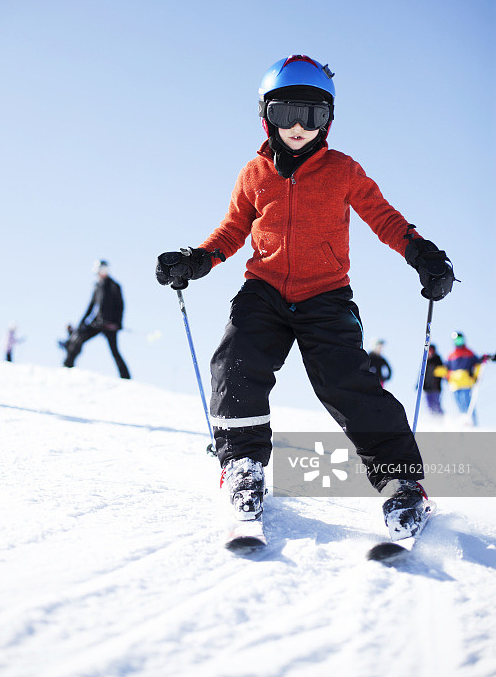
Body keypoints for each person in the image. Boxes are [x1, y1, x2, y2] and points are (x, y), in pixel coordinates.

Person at [156, 54, 455, 540]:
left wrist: (422, 254)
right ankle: (243, 467)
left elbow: (384, 218)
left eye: (312, 114)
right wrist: (196, 260)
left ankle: (403, 481)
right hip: (265, 289)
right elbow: (233, 229)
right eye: (284, 113)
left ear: (328, 119)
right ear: (265, 116)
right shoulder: (254, 174)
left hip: (326, 296)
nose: (297, 126)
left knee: (347, 384)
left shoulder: (343, 170)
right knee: (237, 361)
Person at [63, 260, 131, 379]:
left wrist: (118, 324)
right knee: (78, 339)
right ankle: (67, 365)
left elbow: (121, 306)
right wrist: (80, 325)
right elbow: (90, 306)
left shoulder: (114, 286)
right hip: (97, 322)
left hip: (110, 325)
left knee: (114, 351)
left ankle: (125, 377)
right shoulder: (97, 286)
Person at [441, 332, 482, 425]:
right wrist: (446, 377)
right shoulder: (451, 355)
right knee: (460, 406)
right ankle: (465, 423)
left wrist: (476, 376)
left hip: (466, 383)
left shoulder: (469, 353)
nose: (459, 343)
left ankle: (474, 424)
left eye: (460, 340)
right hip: (454, 385)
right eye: (457, 341)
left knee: (468, 405)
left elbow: (477, 363)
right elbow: (446, 369)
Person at [423, 344, 444, 416]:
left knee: (436, 403)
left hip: (436, 387)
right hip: (427, 387)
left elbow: (442, 372)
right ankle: (432, 417)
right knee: (429, 404)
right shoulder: (426, 360)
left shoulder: (437, 359)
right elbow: (422, 373)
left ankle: (440, 417)